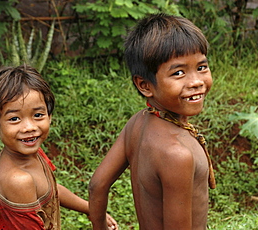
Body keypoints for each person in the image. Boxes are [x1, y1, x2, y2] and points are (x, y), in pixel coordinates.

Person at [88, 13, 216, 230]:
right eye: (178, 72)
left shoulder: (137, 123)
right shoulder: (177, 154)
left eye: (201, 67)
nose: (196, 81)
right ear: (145, 85)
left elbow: (97, 185)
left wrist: (99, 226)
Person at [0, 65, 118, 230]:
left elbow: (50, 188)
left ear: (50, 115)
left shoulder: (32, 151)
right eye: (15, 119)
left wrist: (89, 208)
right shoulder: (18, 181)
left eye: (38, 115)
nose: (29, 127)